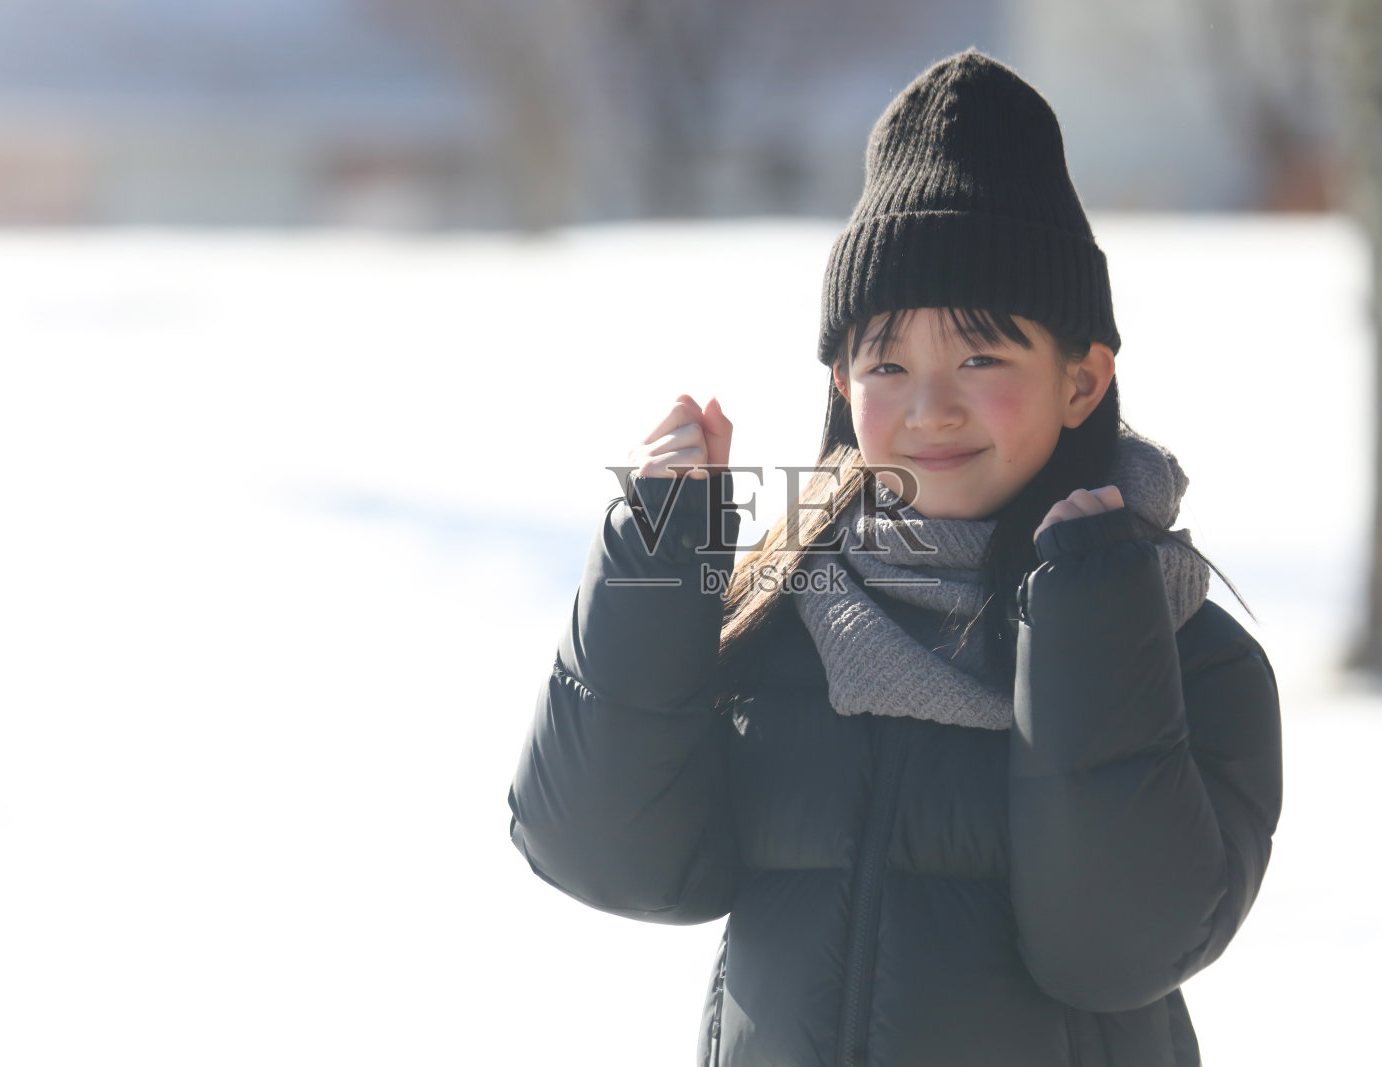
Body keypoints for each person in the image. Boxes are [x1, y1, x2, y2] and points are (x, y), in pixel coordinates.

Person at [508, 48, 1284, 1067]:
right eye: (887, 362)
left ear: (1083, 380)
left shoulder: (1184, 650)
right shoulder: (787, 615)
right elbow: (612, 856)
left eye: (980, 355)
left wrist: (1092, 612)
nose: (930, 406)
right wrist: (661, 549)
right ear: (841, 378)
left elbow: (1114, 945)